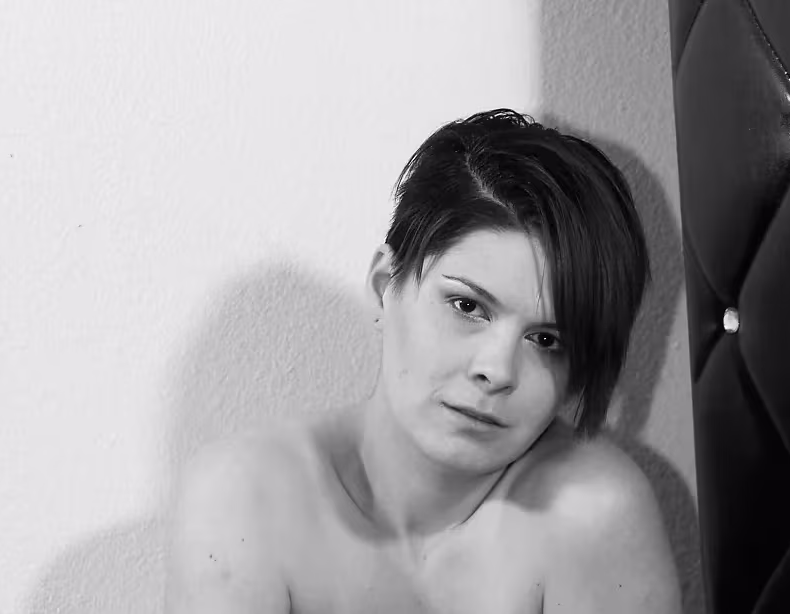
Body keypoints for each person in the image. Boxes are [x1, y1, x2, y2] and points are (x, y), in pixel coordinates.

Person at [166, 110, 680, 613]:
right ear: (384, 286)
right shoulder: (245, 501)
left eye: (546, 339)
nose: (497, 371)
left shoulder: (592, 512)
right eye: (467, 307)